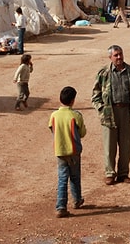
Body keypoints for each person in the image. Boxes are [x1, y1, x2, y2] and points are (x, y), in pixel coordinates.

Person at [91, 45, 130, 185]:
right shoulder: (103, 73)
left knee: (126, 146)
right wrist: (102, 110)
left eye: (120, 54)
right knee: (109, 146)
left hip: (126, 112)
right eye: (116, 55)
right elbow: (95, 95)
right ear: (110, 57)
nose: (119, 57)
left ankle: (123, 173)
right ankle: (110, 173)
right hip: (110, 113)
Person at [48, 86, 87, 218]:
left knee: (62, 178)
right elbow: (82, 133)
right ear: (73, 100)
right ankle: (77, 200)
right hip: (74, 150)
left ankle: (61, 207)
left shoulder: (54, 115)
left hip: (60, 151)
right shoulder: (76, 115)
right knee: (75, 177)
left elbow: (51, 129)